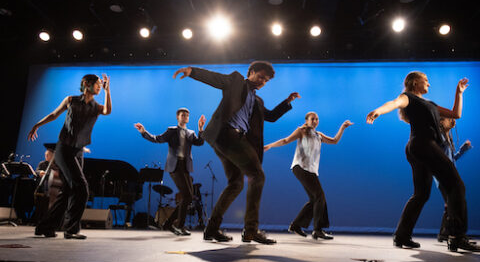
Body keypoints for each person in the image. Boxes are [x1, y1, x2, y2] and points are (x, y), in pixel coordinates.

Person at [174, 62, 299, 244]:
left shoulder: (257, 100)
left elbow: (270, 116)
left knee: (236, 184)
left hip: (230, 140)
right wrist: (192, 71)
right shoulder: (235, 81)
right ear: (250, 72)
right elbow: (215, 79)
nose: (262, 81)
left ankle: (212, 229)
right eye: (260, 76)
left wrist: (287, 102)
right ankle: (250, 230)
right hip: (227, 135)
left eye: (266, 80)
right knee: (257, 176)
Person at [366, 71, 480, 252]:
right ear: (414, 82)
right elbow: (394, 103)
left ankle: (402, 236)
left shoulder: (431, 104)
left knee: (421, 194)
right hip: (423, 144)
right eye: (425, 80)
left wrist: (459, 93)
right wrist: (378, 111)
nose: (429, 83)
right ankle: (457, 237)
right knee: (456, 186)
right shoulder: (408, 97)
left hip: (417, 147)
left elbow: (455, 114)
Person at [27, 73, 111, 239]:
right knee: (81, 188)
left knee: (67, 191)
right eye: (98, 84)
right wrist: (37, 125)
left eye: (101, 85)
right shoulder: (71, 100)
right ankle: (71, 230)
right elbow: (54, 114)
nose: (100, 87)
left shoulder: (96, 107)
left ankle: (44, 227)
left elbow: (108, 111)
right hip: (64, 149)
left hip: (78, 151)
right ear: (86, 83)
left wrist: (108, 91)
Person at [264, 113, 353, 240]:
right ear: (307, 121)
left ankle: (296, 225)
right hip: (300, 167)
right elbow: (285, 140)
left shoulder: (319, 135)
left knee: (315, 199)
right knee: (320, 197)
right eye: (312, 119)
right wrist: (270, 146)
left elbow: (334, 141)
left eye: (317, 119)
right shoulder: (302, 130)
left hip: (311, 170)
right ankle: (317, 230)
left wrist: (343, 128)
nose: (315, 121)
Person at [134, 108, 206, 236]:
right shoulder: (172, 131)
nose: (185, 117)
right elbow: (157, 139)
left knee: (188, 198)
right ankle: (179, 226)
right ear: (178, 117)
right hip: (175, 166)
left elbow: (200, 142)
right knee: (187, 196)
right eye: (183, 115)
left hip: (186, 166)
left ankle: (168, 224)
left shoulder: (191, 132)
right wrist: (144, 132)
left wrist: (200, 129)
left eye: (187, 115)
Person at [435, 115, 473, 243]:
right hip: (443, 177)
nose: (453, 120)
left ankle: (444, 234)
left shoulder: (447, 138)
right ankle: (453, 234)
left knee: (450, 204)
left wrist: (463, 149)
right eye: (449, 118)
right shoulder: (439, 138)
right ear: (441, 122)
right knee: (453, 204)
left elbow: (452, 158)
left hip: (449, 175)